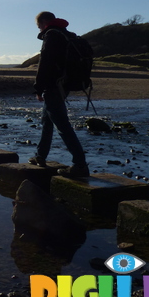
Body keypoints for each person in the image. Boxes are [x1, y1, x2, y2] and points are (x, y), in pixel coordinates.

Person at [29, 11, 89, 177]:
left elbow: (45, 64)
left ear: (44, 22)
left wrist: (38, 88)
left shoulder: (52, 35)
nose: (39, 28)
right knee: (46, 120)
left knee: (62, 125)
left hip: (53, 86)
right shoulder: (67, 35)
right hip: (64, 84)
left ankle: (80, 165)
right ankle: (40, 156)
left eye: (38, 25)